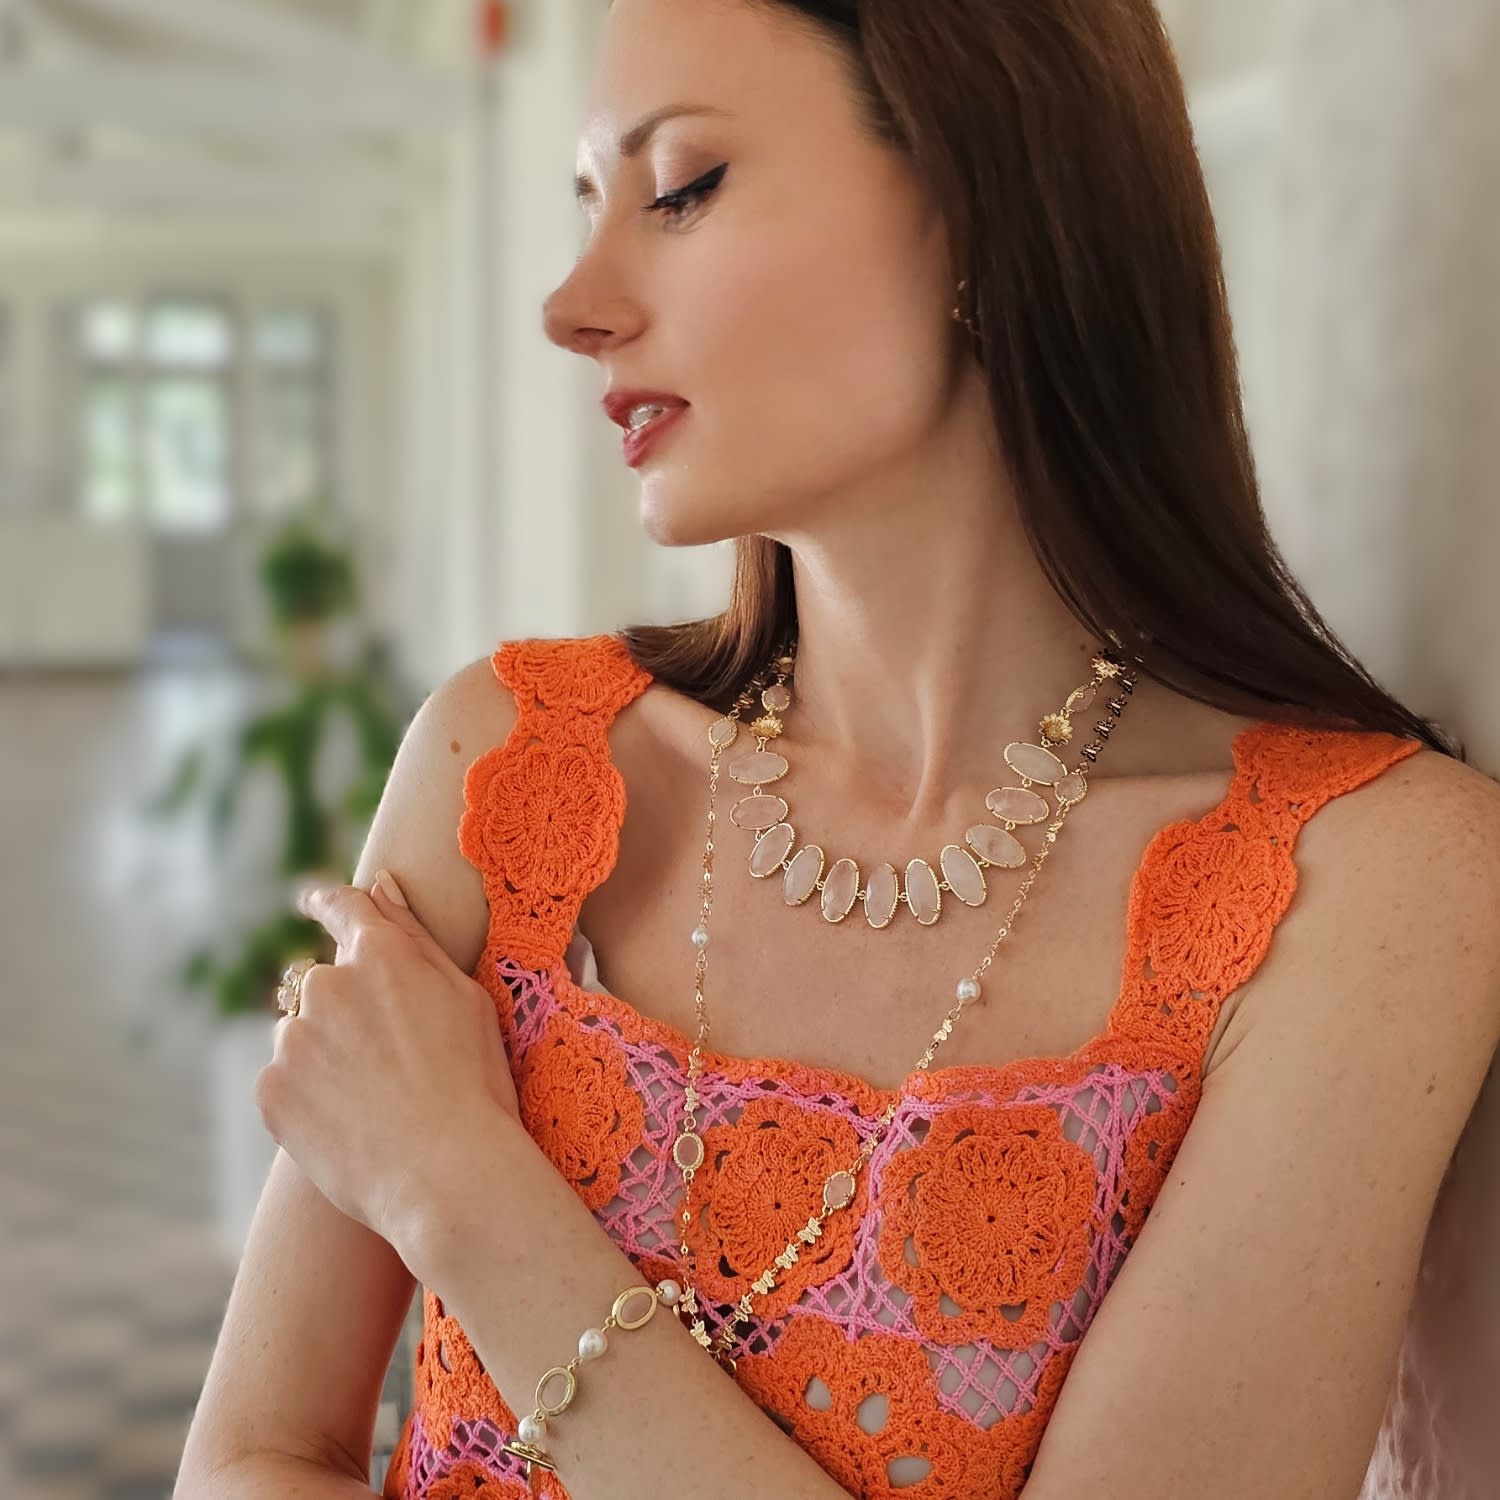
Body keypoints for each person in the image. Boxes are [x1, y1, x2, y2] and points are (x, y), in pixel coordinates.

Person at [174, 2, 1500, 1498]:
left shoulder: (1370, 890)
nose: (576, 303)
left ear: (985, 208)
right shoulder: (509, 764)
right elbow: (250, 1458)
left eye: (680, 189)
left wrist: (460, 1190)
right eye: (585, 206)